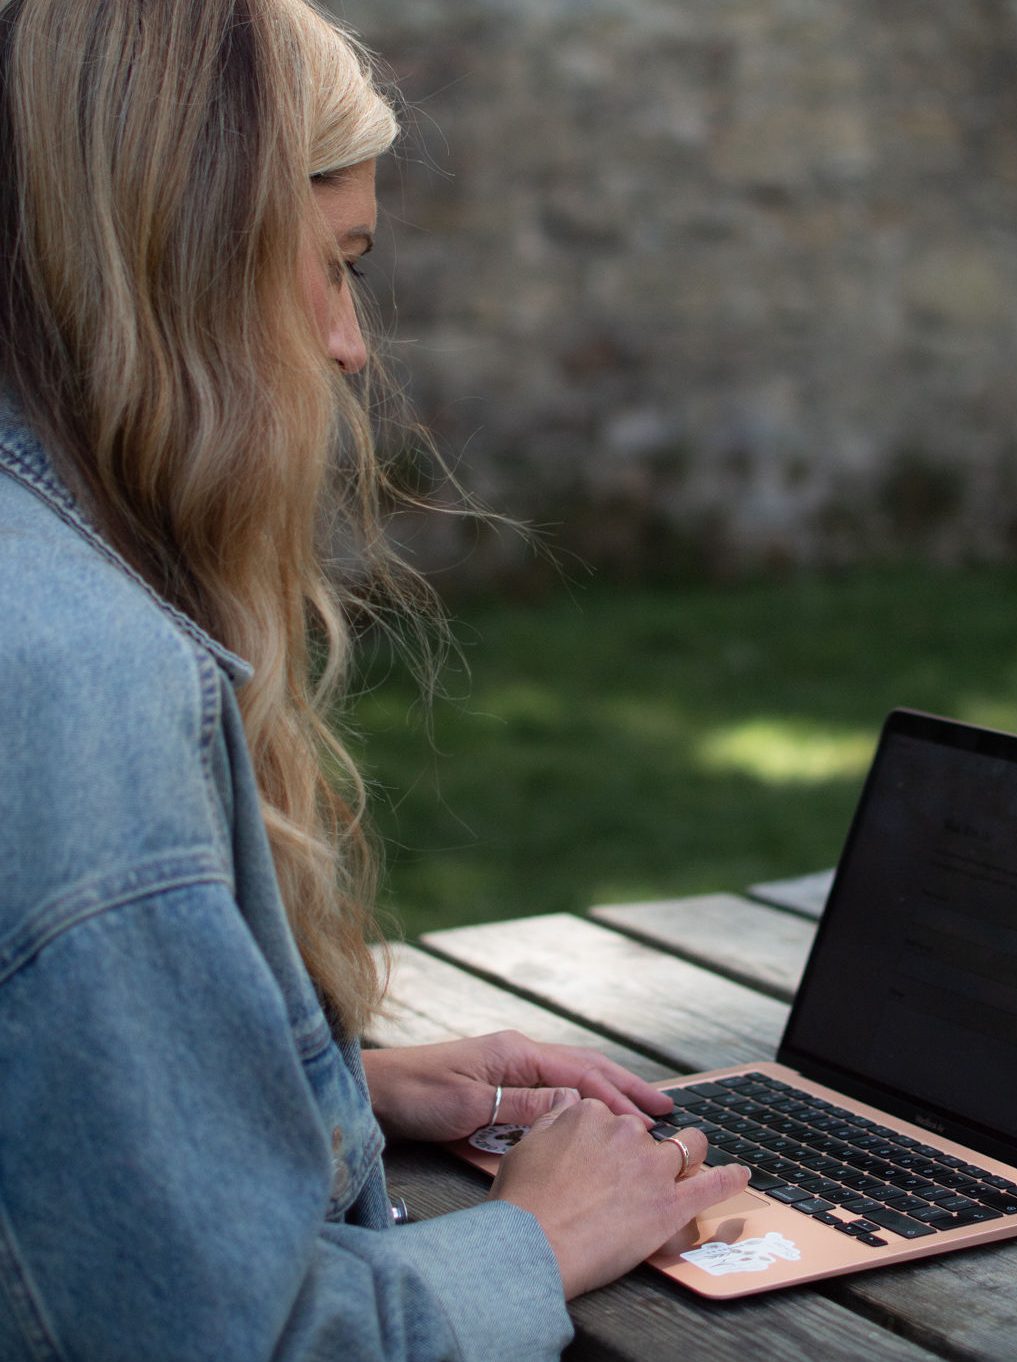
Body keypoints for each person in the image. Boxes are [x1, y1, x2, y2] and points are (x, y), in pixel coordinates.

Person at [0, 2, 748, 1358]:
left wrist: (324, 1091)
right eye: (337, 266)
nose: (350, 343)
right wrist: (537, 1235)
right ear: (193, 254)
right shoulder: (79, 682)